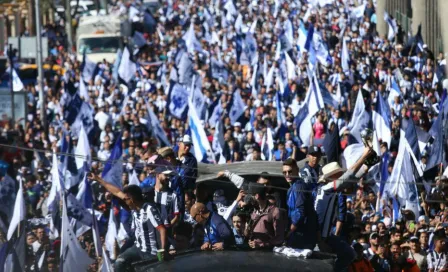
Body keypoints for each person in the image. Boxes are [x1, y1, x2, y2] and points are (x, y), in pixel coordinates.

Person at [87, 173, 167, 272]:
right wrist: (98, 179)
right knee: (119, 262)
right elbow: (116, 192)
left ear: (131, 199)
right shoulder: (134, 208)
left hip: (151, 252)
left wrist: (163, 250)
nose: (124, 201)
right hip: (138, 248)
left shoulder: (149, 209)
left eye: (126, 199)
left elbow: (162, 229)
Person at [315, 146, 374, 271]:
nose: (342, 175)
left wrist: (367, 165)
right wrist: (363, 156)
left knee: (349, 254)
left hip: (326, 235)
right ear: (332, 176)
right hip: (318, 237)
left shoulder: (330, 188)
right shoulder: (326, 188)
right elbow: (348, 175)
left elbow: (351, 178)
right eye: (339, 174)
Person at [282, 158, 318, 250]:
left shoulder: (299, 186)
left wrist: (289, 231)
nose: (287, 175)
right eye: (284, 172)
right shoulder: (291, 188)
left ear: (297, 170)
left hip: (302, 233)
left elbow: (299, 212)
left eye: (290, 172)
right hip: (297, 232)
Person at [245, 182, 287, 250]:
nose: (249, 199)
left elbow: (279, 238)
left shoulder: (274, 212)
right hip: (253, 252)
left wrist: (261, 244)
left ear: (257, 196)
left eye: (251, 196)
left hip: (268, 254)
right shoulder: (254, 210)